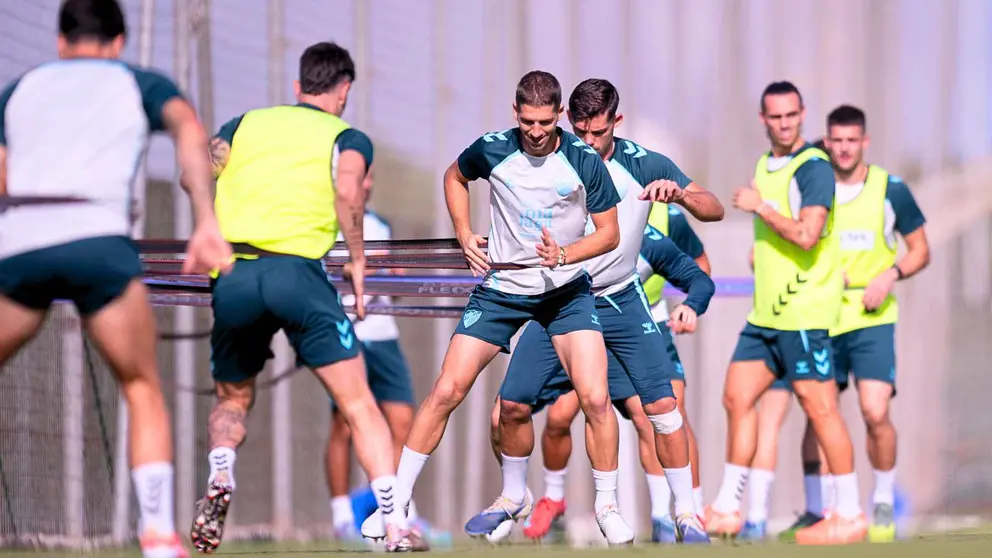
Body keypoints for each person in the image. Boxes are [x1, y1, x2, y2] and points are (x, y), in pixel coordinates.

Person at [0, 1, 232, 557]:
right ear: (119, 42)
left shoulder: (20, 87)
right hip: (98, 241)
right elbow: (190, 129)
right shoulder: (141, 83)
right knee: (141, 386)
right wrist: (205, 220)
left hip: (23, 240)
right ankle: (156, 537)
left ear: (60, 42)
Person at [362, 70, 631, 542]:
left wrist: (565, 254)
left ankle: (607, 505)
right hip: (503, 288)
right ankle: (397, 503)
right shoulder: (492, 148)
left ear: (559, 117)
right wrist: (465, 233)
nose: (536, 132)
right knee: (447, 390)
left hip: (566, 293)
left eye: (546, 123)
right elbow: (454, 176)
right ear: (515, 113)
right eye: (528, 121)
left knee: (593, 397)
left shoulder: (585, 161)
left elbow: (609, 234)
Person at [469, 78, 724, 545]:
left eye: (599, 134)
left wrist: (682, 194)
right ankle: (518, 496)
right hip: (563, 299)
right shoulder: (544, 157)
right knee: (506, 410)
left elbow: (715, 209)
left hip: (621, 300)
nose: (589, 143)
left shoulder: (643, 164)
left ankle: (686, 514)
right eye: (581, 132)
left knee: (665, 410)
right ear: (567, 120)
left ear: (616, 124)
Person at [192, 42, 420, 553]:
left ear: (298, 87)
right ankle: (394, 526)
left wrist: (207, 227)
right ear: (344, 91)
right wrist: (358, 260)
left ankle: (222, 469)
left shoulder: (242, 125)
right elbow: (347, 191)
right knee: (360, 405)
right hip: (298, 275)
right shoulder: (347, 135)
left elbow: (194, 173)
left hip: (233, 273)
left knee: (232, 398)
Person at [706, 81, 868, 545]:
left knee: (821, 410)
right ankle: (728, 508)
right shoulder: (765, 163)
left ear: (802, 114)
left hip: (803, 315)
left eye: (792, 115)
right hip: (767, 315)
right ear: (763, 119)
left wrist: (762, 208)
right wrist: (763, 251)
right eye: (775, 116)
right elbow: (779, 238)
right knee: (736, 397)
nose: (784, 123)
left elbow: (808, 235)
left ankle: (850, 514)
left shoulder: (813, 168)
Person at [785, 106, 928, 543]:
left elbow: (920, 250)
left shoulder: (890, 189)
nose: (843, 148)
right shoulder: (813, 186)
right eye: (836, 140)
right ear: (826, 142)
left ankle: (882, 497)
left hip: (871, 317)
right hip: (821, 316)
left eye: (852, 140)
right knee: (818, 414)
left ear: (864, 142)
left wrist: (890, 275)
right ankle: (822, 510)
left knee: (874, 410)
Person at [326, 170, 418, 543]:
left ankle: (391, 508)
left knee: (402, 421)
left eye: (369, 178)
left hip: (383, 335)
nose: (366, 185)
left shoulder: (381, 225)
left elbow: (393, 288)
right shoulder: (326, 227)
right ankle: (342, 516)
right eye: (358, 178)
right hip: (345, 334)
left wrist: (390, 274)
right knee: (344, 425)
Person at [639, 202, 711, 542]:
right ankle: (548, 498)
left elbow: (700, 266)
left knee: (670, 412)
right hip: (588, 326)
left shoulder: (668, 215)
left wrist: (689, 306)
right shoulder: (576, 204)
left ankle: (688, 515)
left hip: (651, 323)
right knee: (561, 415)